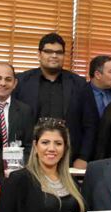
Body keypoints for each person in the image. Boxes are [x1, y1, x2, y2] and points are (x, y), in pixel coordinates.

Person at [14, 33, 99, 169]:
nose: (54, 56)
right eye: (48, 51)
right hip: (29, 158)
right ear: (39, 54)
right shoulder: (21, 82)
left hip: (69, 159)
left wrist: (83, 157)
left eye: (59, 52)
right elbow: (13, 121)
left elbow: (90, 124)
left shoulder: (79, 84)